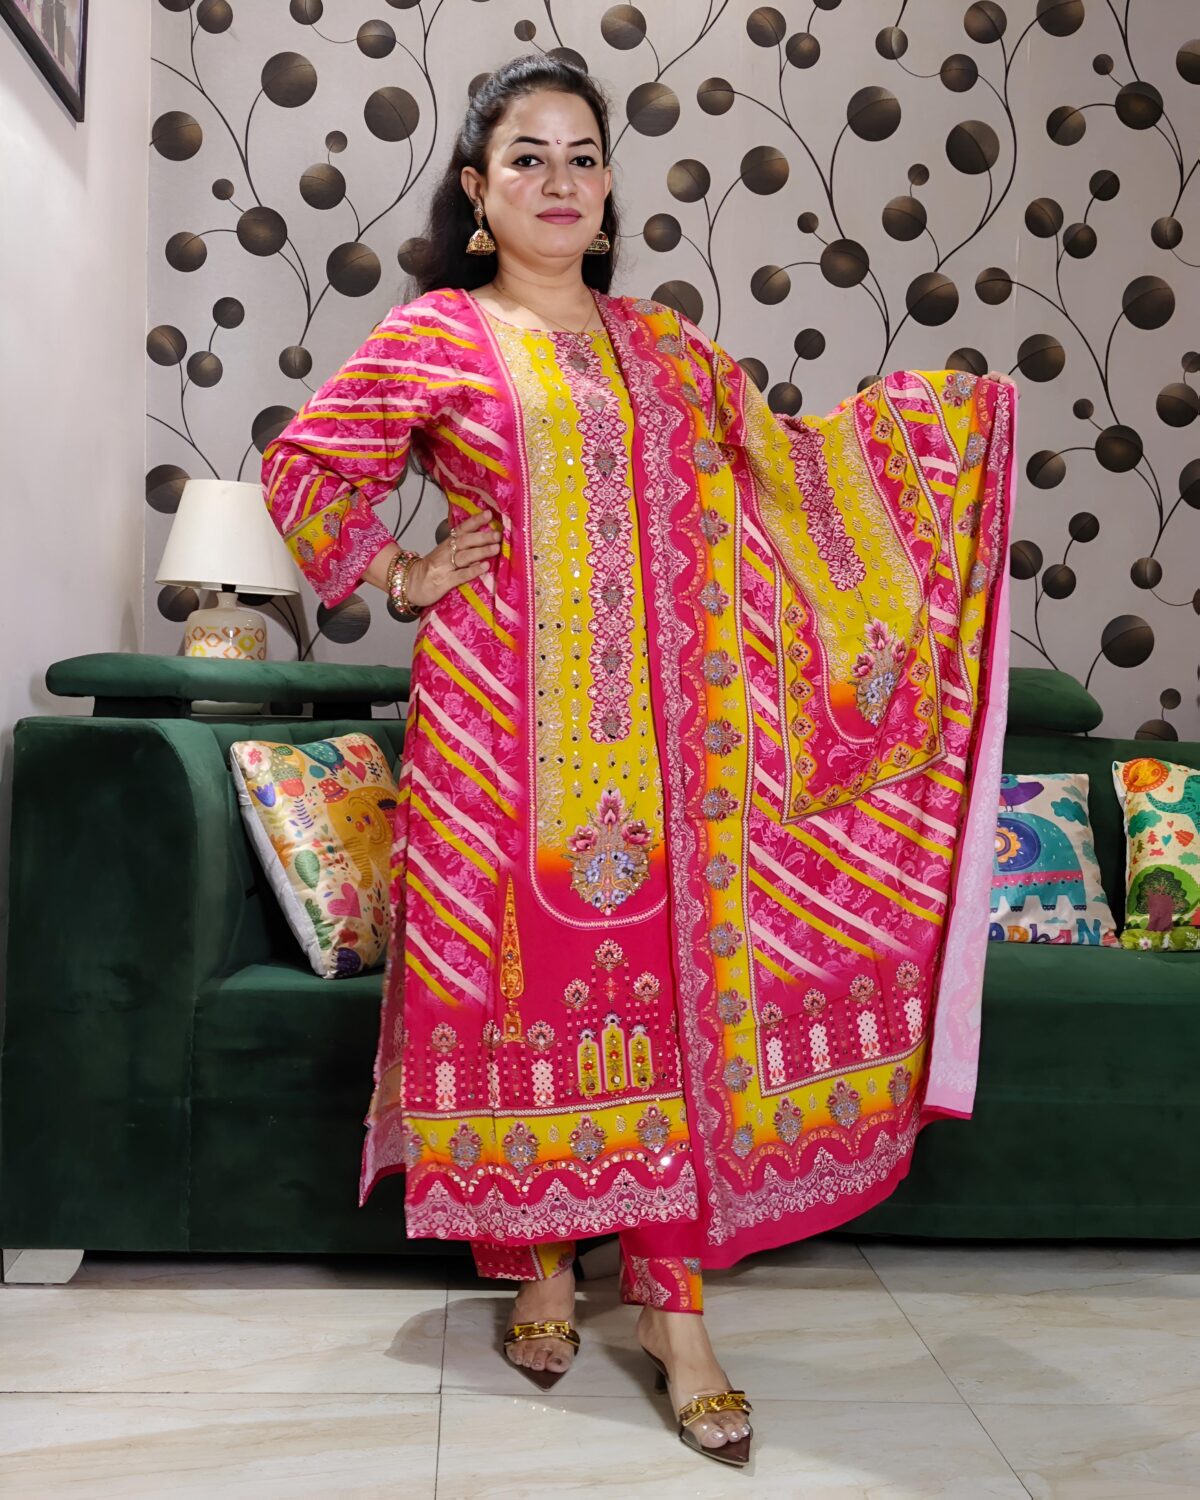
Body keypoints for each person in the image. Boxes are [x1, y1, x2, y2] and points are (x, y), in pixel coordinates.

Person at [262, 54, 1017, 1469]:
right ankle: (539, 1266)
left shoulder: (666, 350)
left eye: (584, 158)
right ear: (478, 196)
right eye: (528, 158)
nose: (561, 181)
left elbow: (794, 479)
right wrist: (406, 572)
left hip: (673, 752)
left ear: (607, 192)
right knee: (523, 1000)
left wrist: (941, 440)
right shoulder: (437, 335)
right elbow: (309, 471)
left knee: (665, 1007)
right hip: (497, 737)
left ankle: (674, 1312)